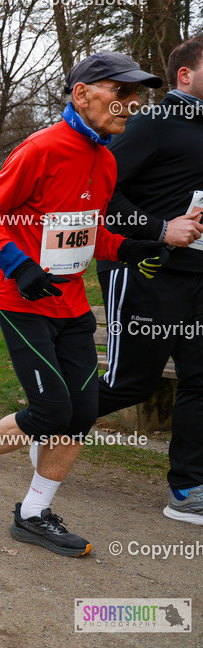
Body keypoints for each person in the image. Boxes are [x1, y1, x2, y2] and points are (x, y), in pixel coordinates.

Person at [0, 52, 170, 557]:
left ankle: (32, 514)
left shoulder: (107, 158)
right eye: (119, 91)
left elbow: (88, 233)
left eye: (136, 95)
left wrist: (127, 248)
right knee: (51, 408)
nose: (130, 103)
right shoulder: (40, 148)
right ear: (81, 93)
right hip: (21, 301)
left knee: (82, 409)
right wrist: (21, 268)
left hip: (72, 304)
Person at [93, 37, 203, 526]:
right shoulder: (152, 123)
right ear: (185, 75)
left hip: (200, 277)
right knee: (129, 385)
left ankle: (187, 488)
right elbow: (100, 192)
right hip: (147, 272)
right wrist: (160, 230)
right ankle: (41, 424)